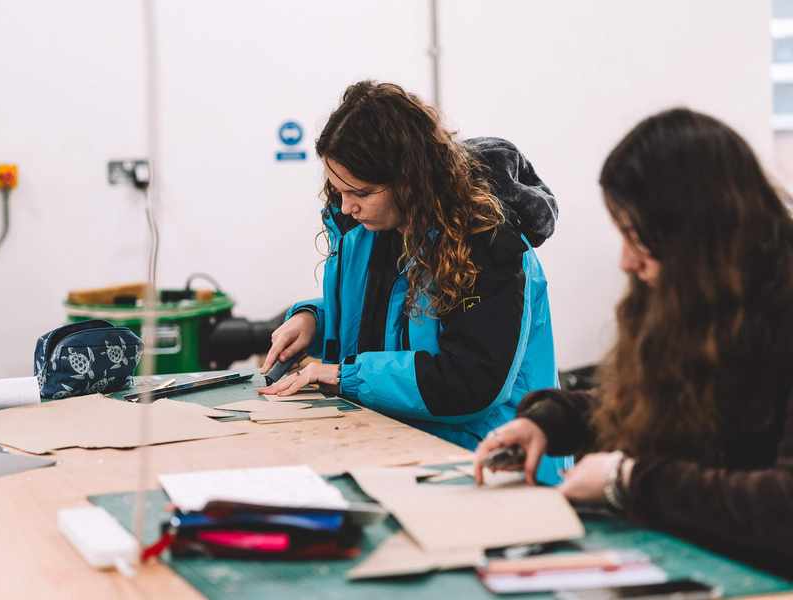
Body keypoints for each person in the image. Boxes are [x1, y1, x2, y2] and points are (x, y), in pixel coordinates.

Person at [473, 107, 793, 572]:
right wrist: (552, 421)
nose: (625, 260)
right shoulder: (708, 299)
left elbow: (783, 508)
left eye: (636, 236)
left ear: (696, 230)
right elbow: (661, 405)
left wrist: (627, 479)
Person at [259, 80, 571, 483]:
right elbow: (383, 319)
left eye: (361, 192)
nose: (347, 207)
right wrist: (314, 321)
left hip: (492, 464)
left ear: (409, 180)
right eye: (337, 191)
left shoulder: (488, 243)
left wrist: (342, 375)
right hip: (404, 449)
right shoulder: (371, 228)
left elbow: (471, 382)